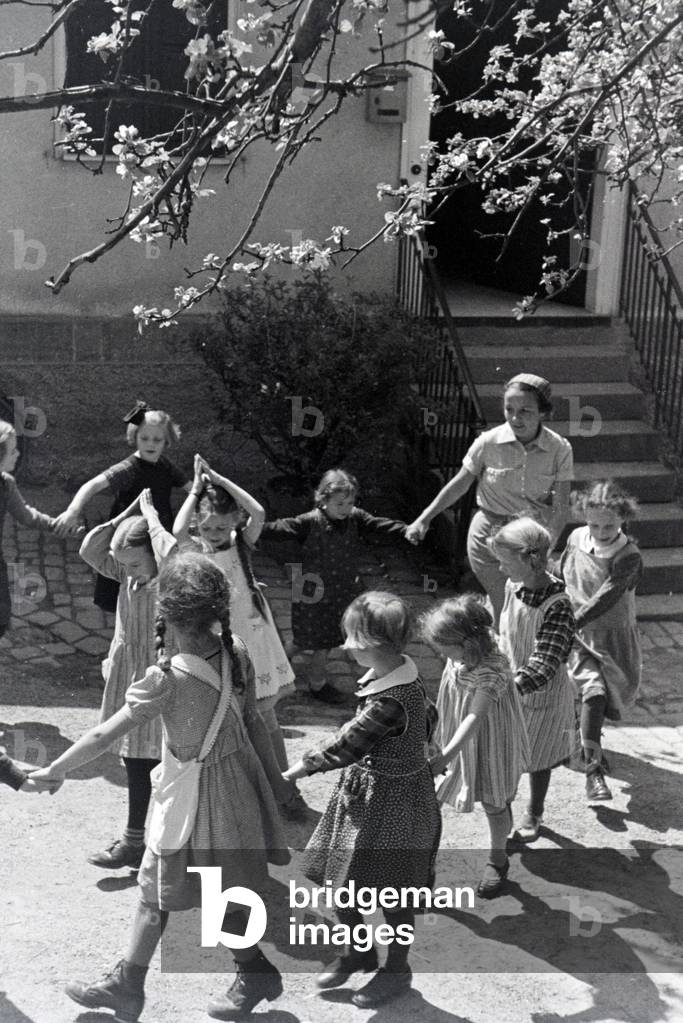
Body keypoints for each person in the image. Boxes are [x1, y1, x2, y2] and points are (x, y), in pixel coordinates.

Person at [30, 551, 292, 1022]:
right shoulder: (237, 651)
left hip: (192, 800)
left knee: (159, 892)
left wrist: (58, 769)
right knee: (217, 892)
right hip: (237, 792)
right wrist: (277, 788)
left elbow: (104, 733)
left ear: (163, 611)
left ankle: (135, 985)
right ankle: (241, 971)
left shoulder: (165, 679)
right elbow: (254, 721)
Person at [284, 591, 441, 1008]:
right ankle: (359, 951)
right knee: (345, 882)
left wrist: (302, 767)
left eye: (352, 637)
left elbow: (349, 743)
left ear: (374, 642)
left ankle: (397, 969)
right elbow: (429, 715)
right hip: (371, 798)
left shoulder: (391, 698)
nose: (346, 645)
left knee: (392, 893)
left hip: (391, 804)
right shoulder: (403, 672)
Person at [172, 455, 305, 819]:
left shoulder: (241, 542)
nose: (213, 534)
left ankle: (285, 789)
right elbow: (178, 529)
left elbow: (258, 511)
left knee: (266, 715)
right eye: (208, 527)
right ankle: (257, 791)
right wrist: (197, 489)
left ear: (233, 522)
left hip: (255, 637)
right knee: (238, 717)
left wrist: (220, 479)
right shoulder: (197, 549)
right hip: (224, 640)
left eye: (220, 527)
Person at [406, 374, 573, 626]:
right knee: (504, 602)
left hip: (529, 540)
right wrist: (424, 519)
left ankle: (501, 649)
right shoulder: (488, 442)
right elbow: (458, 485)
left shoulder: (560, 448)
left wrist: (546, 548)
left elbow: (561, 508)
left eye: (525, 411)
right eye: (509, 409)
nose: (515, 418)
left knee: (523, 606)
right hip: (489, 535)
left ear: (543, 412)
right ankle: (501, 655)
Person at [78, 490, 176, 869]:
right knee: (135, 758)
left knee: (164, 762)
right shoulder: (127, 574)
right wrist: (127, 513)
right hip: (128, 673)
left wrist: (151, 519)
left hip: (159, 678)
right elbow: (90, 550)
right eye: (125, 565)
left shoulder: (167, 579)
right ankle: (134, 841)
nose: (130, 571)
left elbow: (170, 553)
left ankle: (169, 846)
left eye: (136, 564)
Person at [261, 469, 412, 703]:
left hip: (340, 590)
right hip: (311, 591)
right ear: (323, 500)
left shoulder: (356, 518)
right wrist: (249, 528)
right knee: (314, 640)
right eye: (340, 503)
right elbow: (280, 528)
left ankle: (286, 671)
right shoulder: (309, 522)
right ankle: (311, 682)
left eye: (350, 503)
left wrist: (405, 529)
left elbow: (377, 524)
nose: (345, 508)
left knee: (320, 638)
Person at [421, 594, 528, 897]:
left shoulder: (492, 670)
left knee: (494, 801)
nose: (440, 653)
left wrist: (445, 756)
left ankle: (498, 859)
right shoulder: (462, 655)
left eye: (444, 648)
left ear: (466, 644)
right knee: (443, 799)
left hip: (492, 743)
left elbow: (475, 717)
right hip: (458, 738)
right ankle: (423, 866)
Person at [53, 402, 190, 611]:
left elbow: (190, 487)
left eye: (157, 440)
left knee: (156, 582)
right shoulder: (129, 468)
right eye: (144, 438)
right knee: (124, 580)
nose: (150, 444)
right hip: (129, 536)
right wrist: (73, 510)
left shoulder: (166, 466)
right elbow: (93, 484)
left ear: (166, 441)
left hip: (156, 531)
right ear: (135, 437)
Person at [488, 517, 576, 842]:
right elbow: (503, 632)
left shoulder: (558, 606)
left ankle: (535, 810)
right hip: (511, 683)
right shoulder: (514, 586)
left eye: (504, 561)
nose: (499, 569)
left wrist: (504, 689)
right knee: (508, 755)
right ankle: (505, 821)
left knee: (539, 756)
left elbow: (543, 666)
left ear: (530, 560)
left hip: (542, 695)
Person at [559, 480, 643, 802]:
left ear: (623, 519)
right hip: (580, 637)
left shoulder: (627, 555)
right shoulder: (576, 538)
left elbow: (609, 595)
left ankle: (588, 741)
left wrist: (575, 618)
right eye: (593, 523)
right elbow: (565, 569)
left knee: (607, 697)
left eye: (609, 525)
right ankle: (593, 771)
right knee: (593, 691)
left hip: (611, 636)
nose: (600, 531)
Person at [0, 419, 67, 637]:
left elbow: (27, 515)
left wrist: (53, 524)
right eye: (12, 451)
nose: (18, 454)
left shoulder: (6, 484)